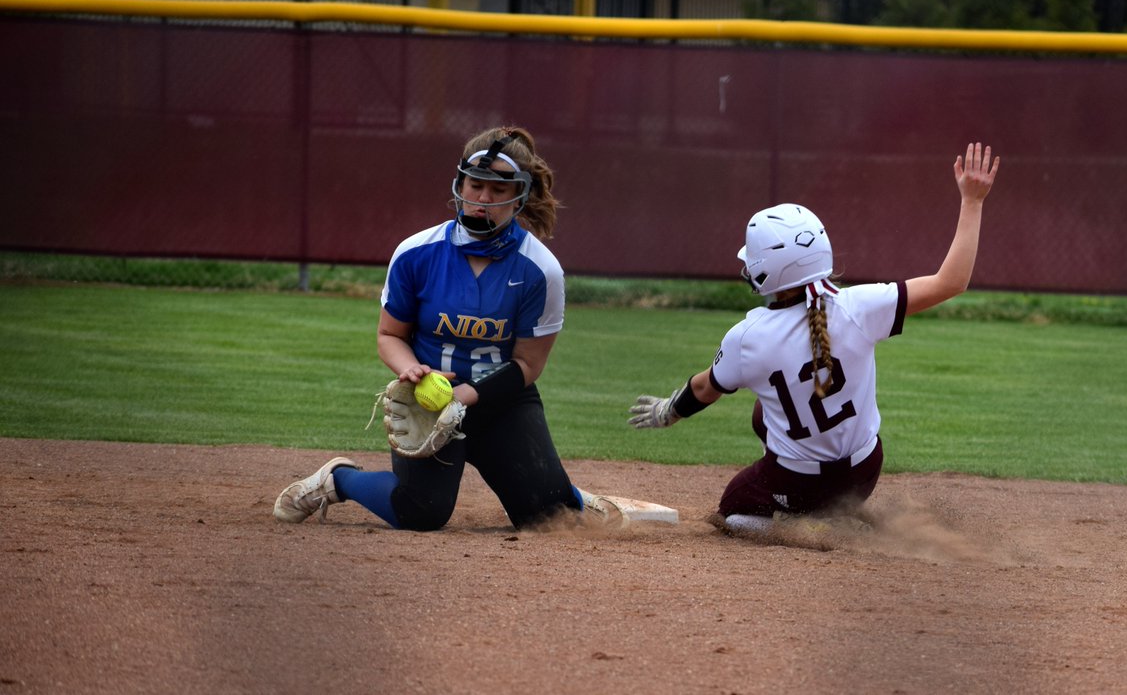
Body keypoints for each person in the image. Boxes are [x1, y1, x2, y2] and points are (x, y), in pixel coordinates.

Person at [627, 142, 999, 536]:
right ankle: (836, 512)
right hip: (864, 473)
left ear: (765, 271)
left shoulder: (748, 337)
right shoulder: (861, 306)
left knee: (733, 512)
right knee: (763, 415)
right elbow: (951, 282)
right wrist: (972, 201)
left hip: (799, 484)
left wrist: (669, 412)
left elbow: (704, 388)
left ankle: (816, 531)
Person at [274, 126, 592, 531]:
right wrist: (409, 369)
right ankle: (338, 480)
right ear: (459, 184)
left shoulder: (540, 269)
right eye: (475, 185)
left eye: (498, 190)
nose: (483, 199)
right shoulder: (417, 253)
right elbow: (390, 336)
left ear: (520, 195)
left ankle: (567, 496)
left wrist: (465, 396)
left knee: (549, 518)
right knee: (420, 512)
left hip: (501, 402)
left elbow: (528, 365)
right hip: (429, 404)